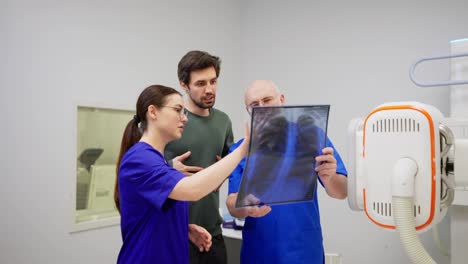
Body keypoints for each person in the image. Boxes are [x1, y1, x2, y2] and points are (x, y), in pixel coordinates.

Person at [113, 85, 249, 264]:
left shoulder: (156, 159)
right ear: (153, 112)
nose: (184, 119)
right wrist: (241, 151)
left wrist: (182, 229)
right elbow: (193, 190)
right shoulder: (140, 158)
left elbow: (153, 213)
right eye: (178, 110)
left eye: (184, 112)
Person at [226, 80, 348, 264]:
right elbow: (232, 204)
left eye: (267, 100)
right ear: (248, 111)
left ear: (282, 100)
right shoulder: (240, 150)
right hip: (259, 251)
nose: (262, 108)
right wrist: (245, 207)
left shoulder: (311, 136)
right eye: (254, 105)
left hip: (304, 249)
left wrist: (329, 177)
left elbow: (341, 191)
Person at [164, 50, 233, 264]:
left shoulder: (223, 121)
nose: (210, 89)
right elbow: (142, 171)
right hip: (176, 233)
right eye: (201, 83)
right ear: (184, 85)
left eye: (213, 81)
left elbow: (229, 164)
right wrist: (168, 168)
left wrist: (223, 173)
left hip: (213, 233)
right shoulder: (169, 120)